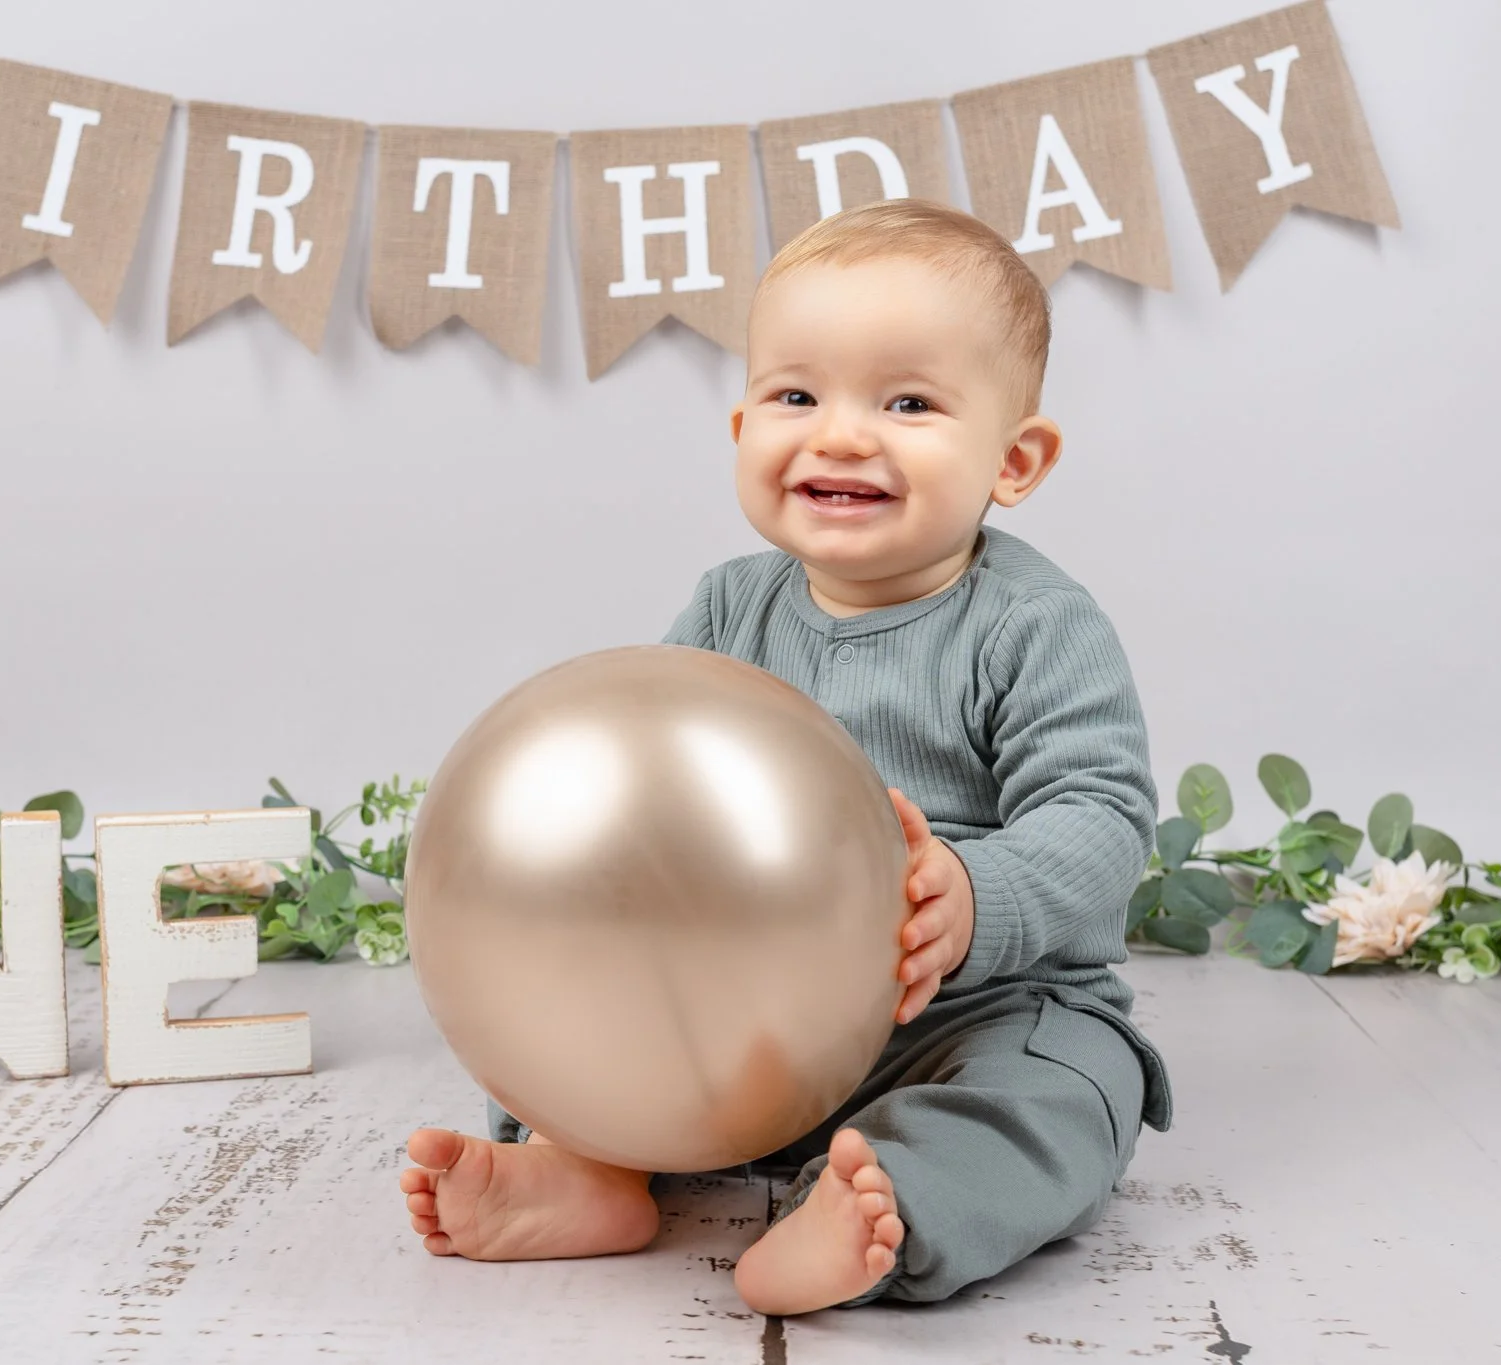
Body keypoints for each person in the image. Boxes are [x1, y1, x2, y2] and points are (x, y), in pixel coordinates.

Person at [398, 199, 1172, 1315]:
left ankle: (895, 1200)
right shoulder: (726, 606)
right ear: (740, 430)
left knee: (1065, 1087)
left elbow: (1098, 816)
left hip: (962, 1013)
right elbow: (645, 802)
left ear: (1014, 460)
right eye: (795, 396)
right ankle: (591, 1172)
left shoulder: (1032, 627)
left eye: (906, 402)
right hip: (738, 1024)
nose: (841, 434)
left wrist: (972, 896)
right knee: (584, 1040)